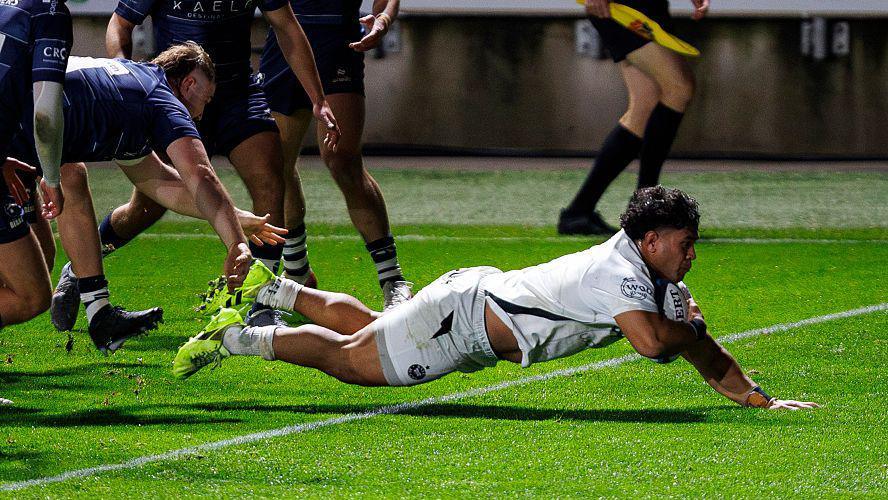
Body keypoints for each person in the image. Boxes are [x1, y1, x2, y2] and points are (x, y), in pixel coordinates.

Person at [173, 186, 819, 411]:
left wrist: (757, 398)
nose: (692, 254)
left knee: (371, 326)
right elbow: (656, 346)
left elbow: (700, 353)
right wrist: (695, 333)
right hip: (462, 327)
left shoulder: (652, 277)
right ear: (649, 241)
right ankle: (235, 337)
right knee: (351, 360)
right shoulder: (624, 278)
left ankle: (272, 288)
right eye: (686, 243)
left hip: (474, 297)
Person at [49, 0, 342, 331]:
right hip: (151, 96)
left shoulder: (141, 97)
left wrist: (318, 99)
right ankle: (81, 275)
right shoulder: (155, 97)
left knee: (270, 177)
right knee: (136, 209)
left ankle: (262, 303)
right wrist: (127, 79)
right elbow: (119, 24)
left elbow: (288, 28)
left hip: (235, 92)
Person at [10, 44, 285, 352]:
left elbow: (161, 183)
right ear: (189, 83)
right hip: (10, 136)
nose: (201, 113)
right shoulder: (160, 99)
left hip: (17, 144)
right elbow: (200, 177)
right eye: (205, 100)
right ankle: (98, 313)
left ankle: (99, 314)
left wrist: (234, 218)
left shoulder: (129, 93)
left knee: (64, 195)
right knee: (28, 292)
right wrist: (236, 243)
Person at [259, 0, 412, 311]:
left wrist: (383, 19)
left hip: (338, 43)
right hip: (285, 42)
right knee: (277, 165)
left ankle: (393, 281)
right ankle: (297, 269)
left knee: (343, 159)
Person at [558, 0, 708, 235]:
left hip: (644, 8)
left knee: (646, 104)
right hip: (622, 6)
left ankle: (579, 212)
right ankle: (645, 211)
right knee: (679, 87)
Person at [0, 0, 72, 404]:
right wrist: (52, 176)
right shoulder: (48, 12)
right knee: (31, 293)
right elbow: (45, 113)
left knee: (38, 258)